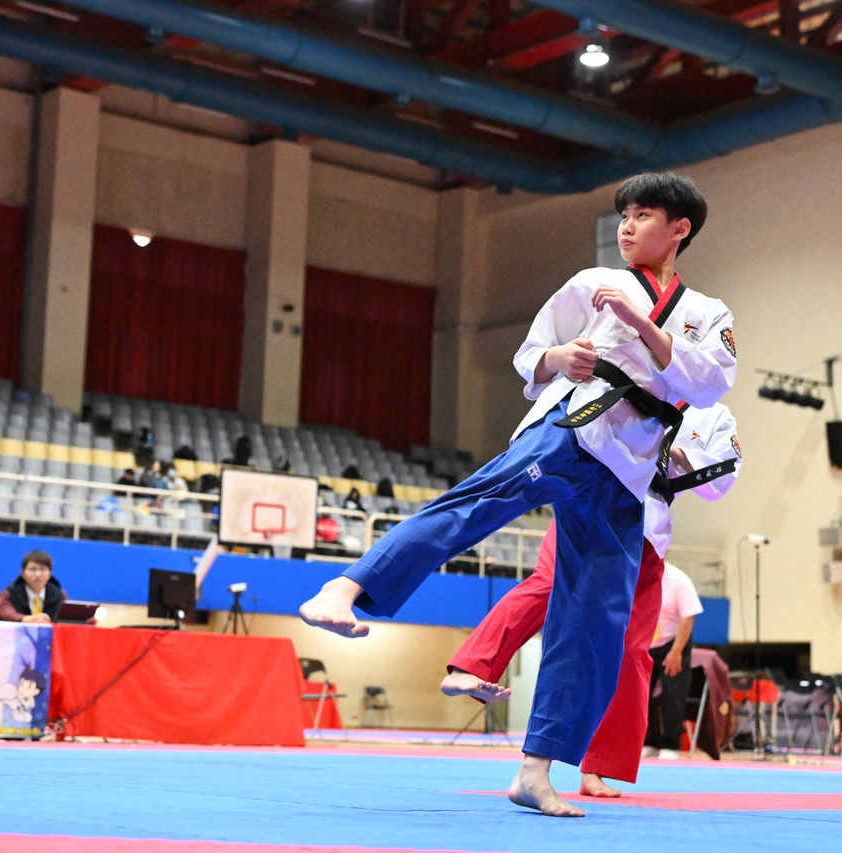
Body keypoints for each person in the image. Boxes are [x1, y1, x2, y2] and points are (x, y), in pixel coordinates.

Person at [300, 171, 735, 817]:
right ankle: (345, 588)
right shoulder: (592, 283)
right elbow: (531, 354)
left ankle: (536, 770)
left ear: (680, 228)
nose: (626, 226)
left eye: (642, 215)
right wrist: (559, 359)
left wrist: (639, 323)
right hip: (572, 428)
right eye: (623, 215)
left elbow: (709, 385)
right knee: (475, 504)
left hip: (628, 473)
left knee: (596, 621)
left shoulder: (708, 313)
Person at [441, 402, 739, 797]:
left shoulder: (715, 415)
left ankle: (599, 766)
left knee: (631, 648)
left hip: (649, 528)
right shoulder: (636, 381)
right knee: (547, 585)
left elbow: (722, 480)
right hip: (590, 500)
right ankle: (471, 666)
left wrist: (670, 452)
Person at [643, 562, 704, 759]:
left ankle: (671, 744)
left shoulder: (679, 580)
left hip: (674, 643)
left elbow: (688, 617)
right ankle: (647, 741)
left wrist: (676, 651)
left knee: (673, 695)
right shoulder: (638, 574)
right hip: (645, 642)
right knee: (641, 695)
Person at [0, 549, 65, 623]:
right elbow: (6, 613)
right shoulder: (9, 592)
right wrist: (25, 619)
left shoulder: (59, 594)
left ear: (50, 573)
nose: (38, 574)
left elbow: (64, 618)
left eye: (42, 569)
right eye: (33, 569)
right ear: (22, 572)